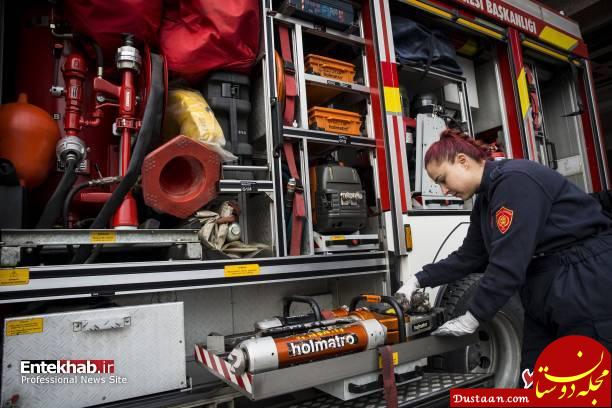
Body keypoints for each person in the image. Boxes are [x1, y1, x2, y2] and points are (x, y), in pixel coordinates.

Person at [395, 128, 612, 375]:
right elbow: (469, 257)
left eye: (443, 179)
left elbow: (508, 262)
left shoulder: (515, 180)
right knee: (536, 377)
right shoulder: (486, 200)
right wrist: (417, 280)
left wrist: (473, 316)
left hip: (583, 280)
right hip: (545, 286)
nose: (444, 190)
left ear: (463, 161)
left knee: (591, 376)